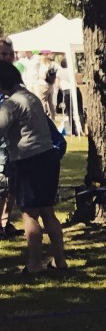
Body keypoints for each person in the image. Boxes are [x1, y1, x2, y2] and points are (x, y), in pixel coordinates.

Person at [0, 61, 69, 277]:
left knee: (29, 215)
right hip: (48, 158)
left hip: (28, 162)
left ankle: (34, 265)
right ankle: (59, 261)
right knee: (48, 211)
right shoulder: (30, 97)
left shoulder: (12, 104)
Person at [0, 36, 17, 239]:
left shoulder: (13, 75)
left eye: (9, 54)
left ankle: (6, 221)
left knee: (12, 182)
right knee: (2, 181)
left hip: (13, 137)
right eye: (3, 54)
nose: (7, 57)